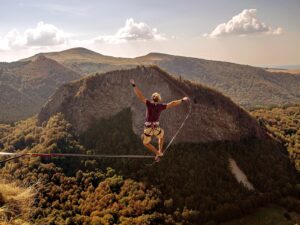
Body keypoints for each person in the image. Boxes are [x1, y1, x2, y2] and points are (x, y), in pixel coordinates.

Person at [130, 79, 189, 161]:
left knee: (146, 143)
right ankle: (160, 151)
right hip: (156, 128)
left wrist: (134, 84)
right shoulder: (161, 106)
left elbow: (140, 95)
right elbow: (172, 103)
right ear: (159, 99)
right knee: (161, 138)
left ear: (152, 98)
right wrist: (182, 100)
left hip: (148, 129)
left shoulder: (148, 104)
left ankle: (157, 153)